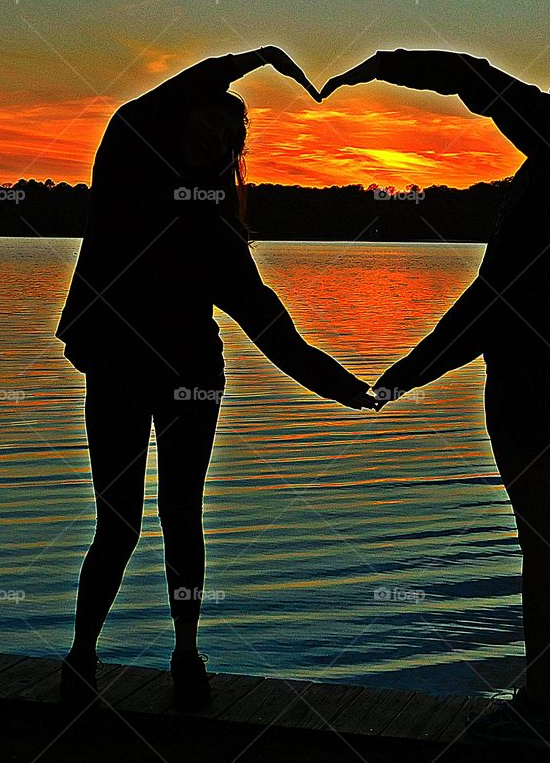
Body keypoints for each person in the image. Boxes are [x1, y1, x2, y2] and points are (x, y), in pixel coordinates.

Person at [321, 48, 550, 749]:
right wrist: (385, 64)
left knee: (544, 547)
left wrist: (408, 372)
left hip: (535, 385)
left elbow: (491, 305)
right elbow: (472, 78)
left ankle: (539, 706)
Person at [56, 47, 377, 711]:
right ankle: (82, 654)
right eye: (207, 123)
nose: (215, 140)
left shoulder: (218, 237)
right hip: (118, 370)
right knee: (117, 524)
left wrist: (348, 388)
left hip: (191, 380)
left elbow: (278, 336)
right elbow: (147, 107)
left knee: (182, 514)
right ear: (181, 124)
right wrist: (253, 59)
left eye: (229, 138)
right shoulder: (129, 173)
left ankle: (186, 652)